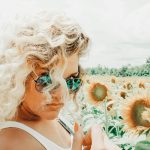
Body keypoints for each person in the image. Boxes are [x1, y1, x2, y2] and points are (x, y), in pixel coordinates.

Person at [0, 11, 120, 150]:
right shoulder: (13, 142)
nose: (63, 95)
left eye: (70, 81)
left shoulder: (47, 115)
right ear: (18, 75)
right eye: (47, 81)